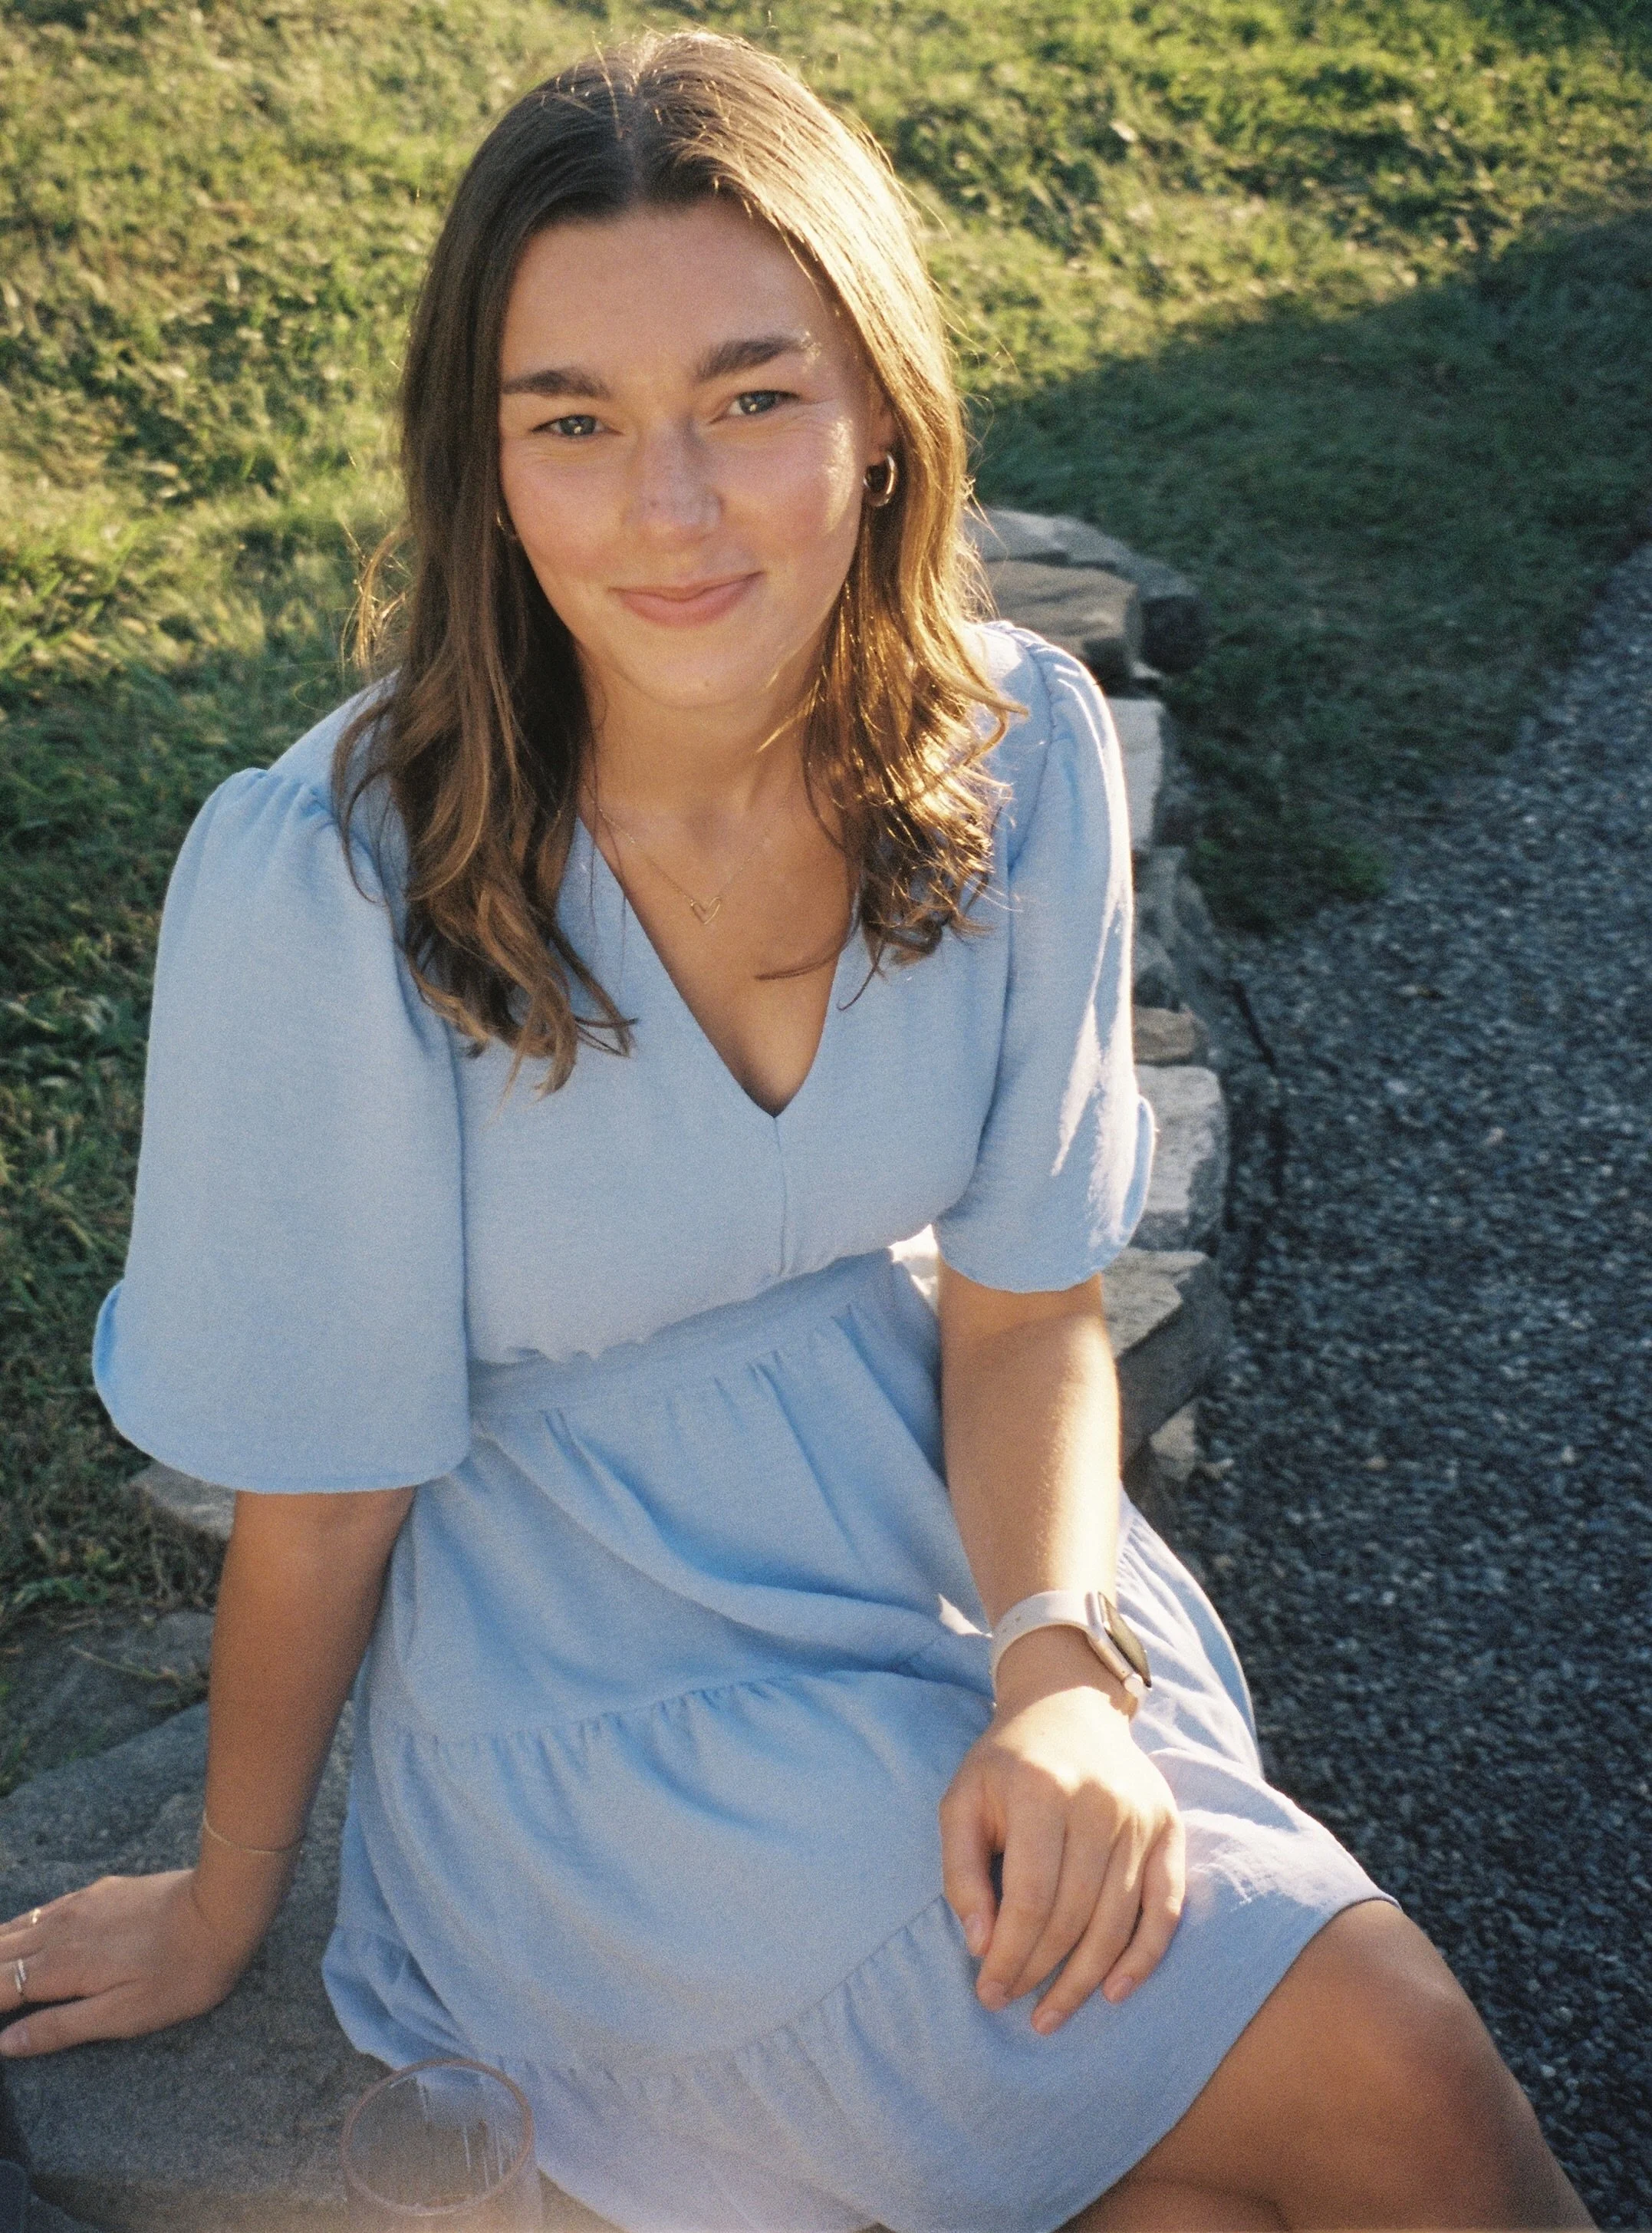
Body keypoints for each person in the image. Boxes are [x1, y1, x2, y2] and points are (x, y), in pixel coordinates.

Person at [0, 33, 1589, 2233]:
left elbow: (1027, 1307)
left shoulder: (1019, 753)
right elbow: (326, 1486)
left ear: (879, 414)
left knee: (1199, 2199)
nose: (670, 510)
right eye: (574, 422)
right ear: (484, 463)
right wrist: (223, 1904)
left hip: (945, 1552)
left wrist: (1060, 1667)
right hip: (594, 1707)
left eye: (751, 400)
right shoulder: (340, 878)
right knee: (1392, 2066)